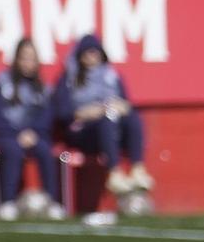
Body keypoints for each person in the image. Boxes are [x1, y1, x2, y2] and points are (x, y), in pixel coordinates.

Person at [55, 35, 152, 205]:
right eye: (87, 53)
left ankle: (138, 169)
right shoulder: (69, 78)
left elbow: (125, 102)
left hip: (112, 126)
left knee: (132, 117)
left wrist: (122, 106)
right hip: (84, 132)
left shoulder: (112, 76)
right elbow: (62, 113)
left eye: (95, 52)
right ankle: (114, 172)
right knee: (107, 119)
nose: (91, 56)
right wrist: (84, 113)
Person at [0, 36, 61, 220]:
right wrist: (16, 133)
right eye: (24, 57)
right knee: (13, 150)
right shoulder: (2, 83)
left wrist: (33, 132)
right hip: (5, 135)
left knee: (44, 150)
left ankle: (52, 202)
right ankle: (8, 203)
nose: (28, 63)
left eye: (32, 58)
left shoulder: (42, 88)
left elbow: (46, 117)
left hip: (33, 135)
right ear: (16, 59)